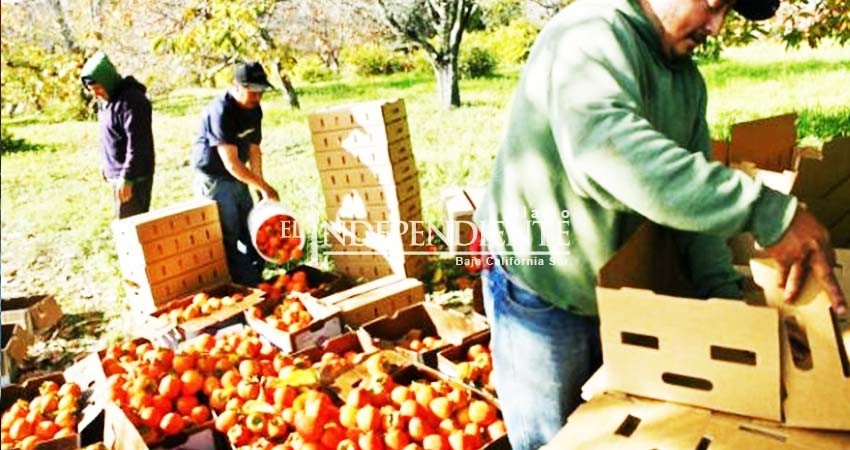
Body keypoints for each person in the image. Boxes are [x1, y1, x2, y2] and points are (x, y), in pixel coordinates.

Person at [474, 0, 847, 448]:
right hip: (542, 288)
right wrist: (771, 212)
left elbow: (691, 214)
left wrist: (729, 308)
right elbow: (612, 158)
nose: (717, 26)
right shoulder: (591, 35)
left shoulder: (685, 81)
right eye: (713, 4)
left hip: (617, 294)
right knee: (556, 439)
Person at [193, 61, 280, 286]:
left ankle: (257, 278)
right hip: (216, 179)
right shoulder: (221, 111)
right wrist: (264, 187)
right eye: (253, 92)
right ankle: (245, 285)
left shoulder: (254, 110)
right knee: (228, 234)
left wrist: (259, 184)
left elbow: (254, 150)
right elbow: (230, 163)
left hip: (239, 177)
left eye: (261, 92)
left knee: (251, 226)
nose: (258, 98)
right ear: (237, 86)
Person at [81, 51, 155, 219]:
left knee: (130, 226)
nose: (96, 94)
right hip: (117, 175)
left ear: (108, 81)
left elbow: (138, 143)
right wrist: (105, 165)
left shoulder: (132, 101)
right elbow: (110, 135)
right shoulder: (106, 102)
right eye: (92, 90)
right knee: (123, 224)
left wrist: (128, 177)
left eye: (98, 88)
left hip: (134, 178)